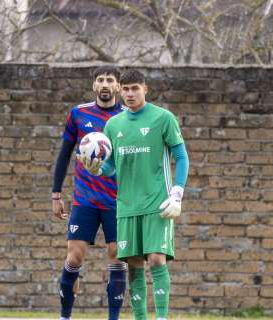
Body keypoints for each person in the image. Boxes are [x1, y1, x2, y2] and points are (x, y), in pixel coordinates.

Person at [80, 69, 189, 320]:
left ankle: (161, 318)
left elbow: (181, 157)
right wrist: (95, 167)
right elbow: (110, 167)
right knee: (134, 265)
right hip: (127, 205)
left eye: (134, 89)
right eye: (126, 89)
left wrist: (177, 194)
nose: (129, 94)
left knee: (157, 259)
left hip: (157, 203)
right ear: (120, 90)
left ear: (145, 89)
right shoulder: (113, 125)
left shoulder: (163, 118)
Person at [51, 66, 127, 320]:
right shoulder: (78, 114)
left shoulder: (128, 117)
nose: (105, 84)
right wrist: (56, 194)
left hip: (118, 201)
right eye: (100, 80)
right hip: (85, 200)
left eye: (110, 81)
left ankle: (113, 318)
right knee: (74, 258)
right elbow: (63, 156)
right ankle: (65, 316)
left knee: (117, 257)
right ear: (94, 85)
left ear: (118, 87)